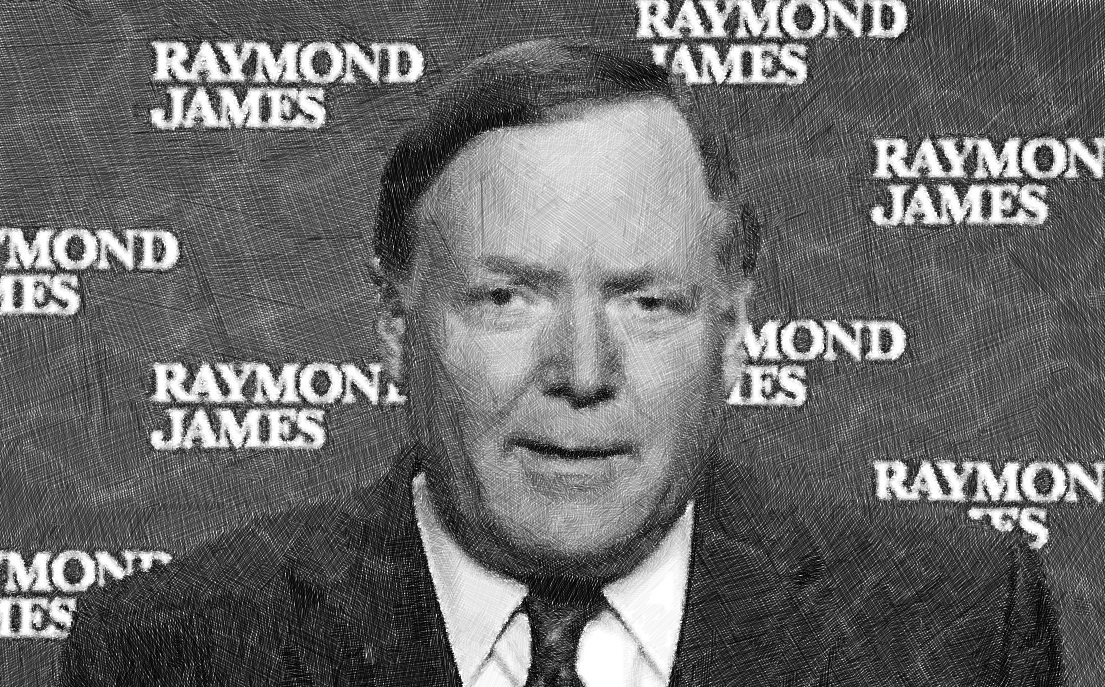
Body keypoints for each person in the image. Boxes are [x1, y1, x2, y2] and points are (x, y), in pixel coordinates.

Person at [61, 40, 1062, 687]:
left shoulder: (955, 629)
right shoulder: (176, 649)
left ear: (733, 327)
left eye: (647, 301)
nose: (582, 370)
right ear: (393, 320)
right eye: (507, 297)